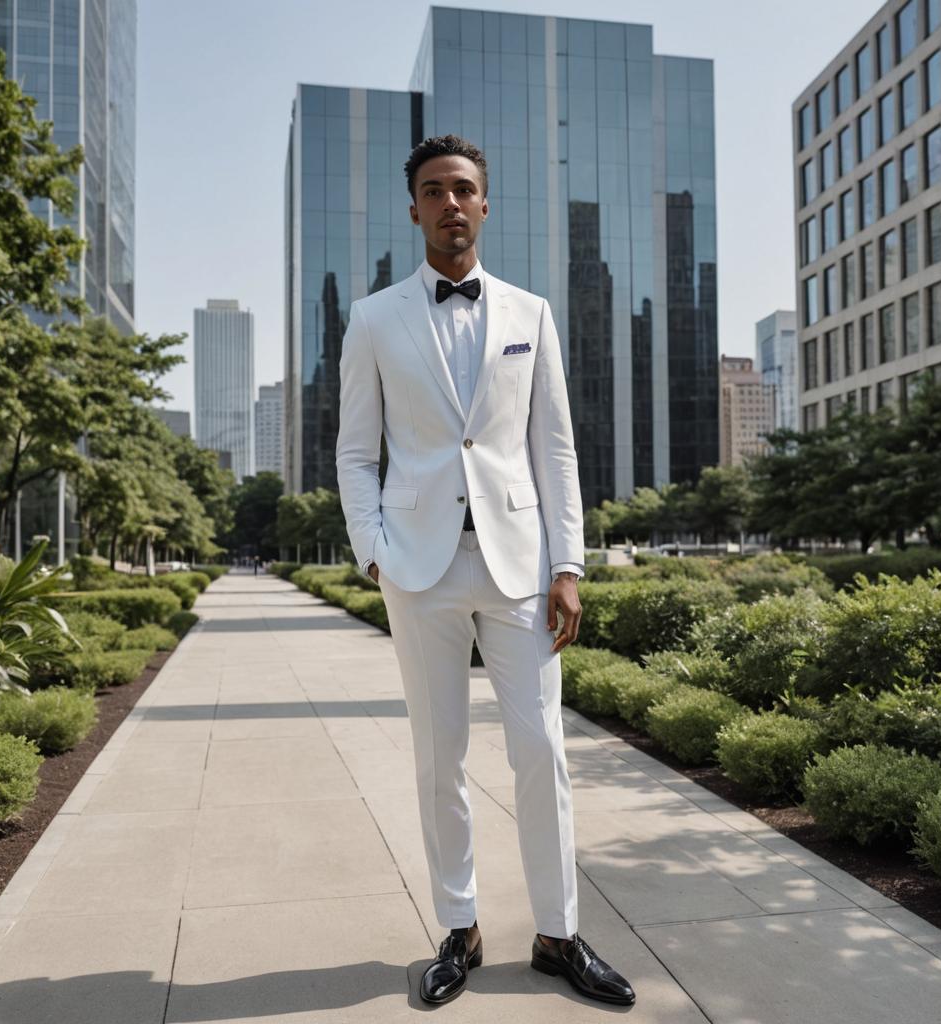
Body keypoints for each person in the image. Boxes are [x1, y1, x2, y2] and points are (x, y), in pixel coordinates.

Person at [336, 134, 635, 1007]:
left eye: (464, 189)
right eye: (434, 191)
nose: (451, 203)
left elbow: (556, 451)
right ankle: (459, 927)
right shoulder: (374, 318)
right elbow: (356, 452)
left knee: (541, 750)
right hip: (418, 569)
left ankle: (558, 933)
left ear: (486, 203)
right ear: (415, 208)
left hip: (517, 566)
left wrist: (569, 566)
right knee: (439, 757)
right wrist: (374, 551)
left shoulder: (530, 313)